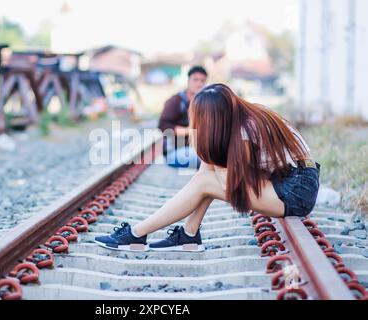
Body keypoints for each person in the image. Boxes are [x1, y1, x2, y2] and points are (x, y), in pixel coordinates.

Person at [95, 83, 320, 252]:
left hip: (295, 190)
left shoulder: (246, 131)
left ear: (214, 118)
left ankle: (137, 233)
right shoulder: (242, 118)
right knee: (206, 175)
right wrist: (207, 157)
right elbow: (207, 170)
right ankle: (188, 234)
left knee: (207, 181)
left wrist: (207, 161)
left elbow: (226, 184)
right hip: (286, 180)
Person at [158, 66, 208, 169]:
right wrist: (190, 131)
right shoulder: (176, 101)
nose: (199, 83)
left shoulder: (205, 103)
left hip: (195, 149)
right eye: (195, 80)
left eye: (202, 80)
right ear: (188, 81)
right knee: (208, 159)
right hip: (175, 152)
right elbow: (163, 126)